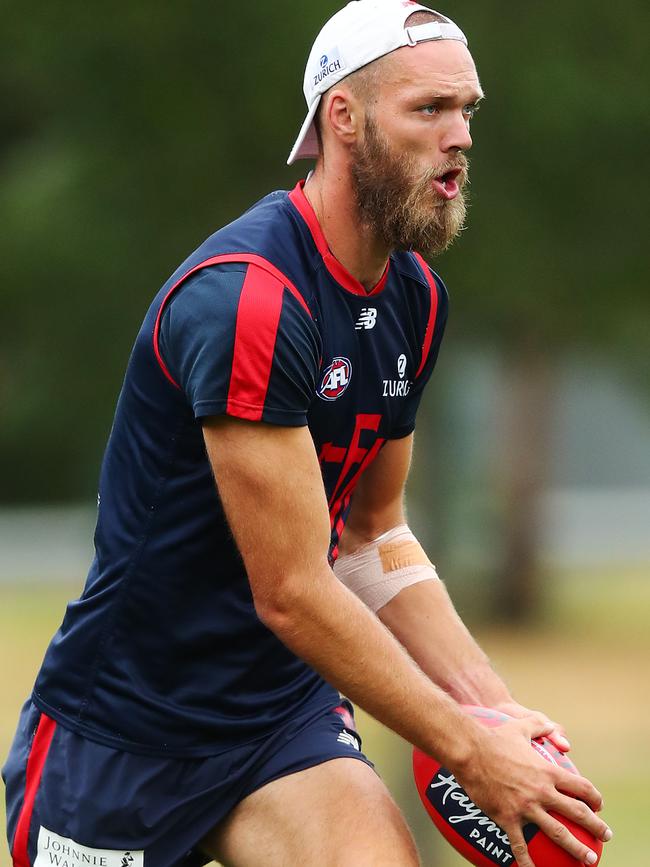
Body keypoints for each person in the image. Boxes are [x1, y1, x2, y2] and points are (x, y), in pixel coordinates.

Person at [3, 2, 612, 866]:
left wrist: (490, 710)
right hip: (125, 731)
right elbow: (291, 587)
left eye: (468, 109)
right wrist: (469, 750)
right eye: (429, 109)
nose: (461, 136)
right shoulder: (248, 297)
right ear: (344, 118)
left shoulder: (415, 297)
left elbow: (373, 537)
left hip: (276, 718)